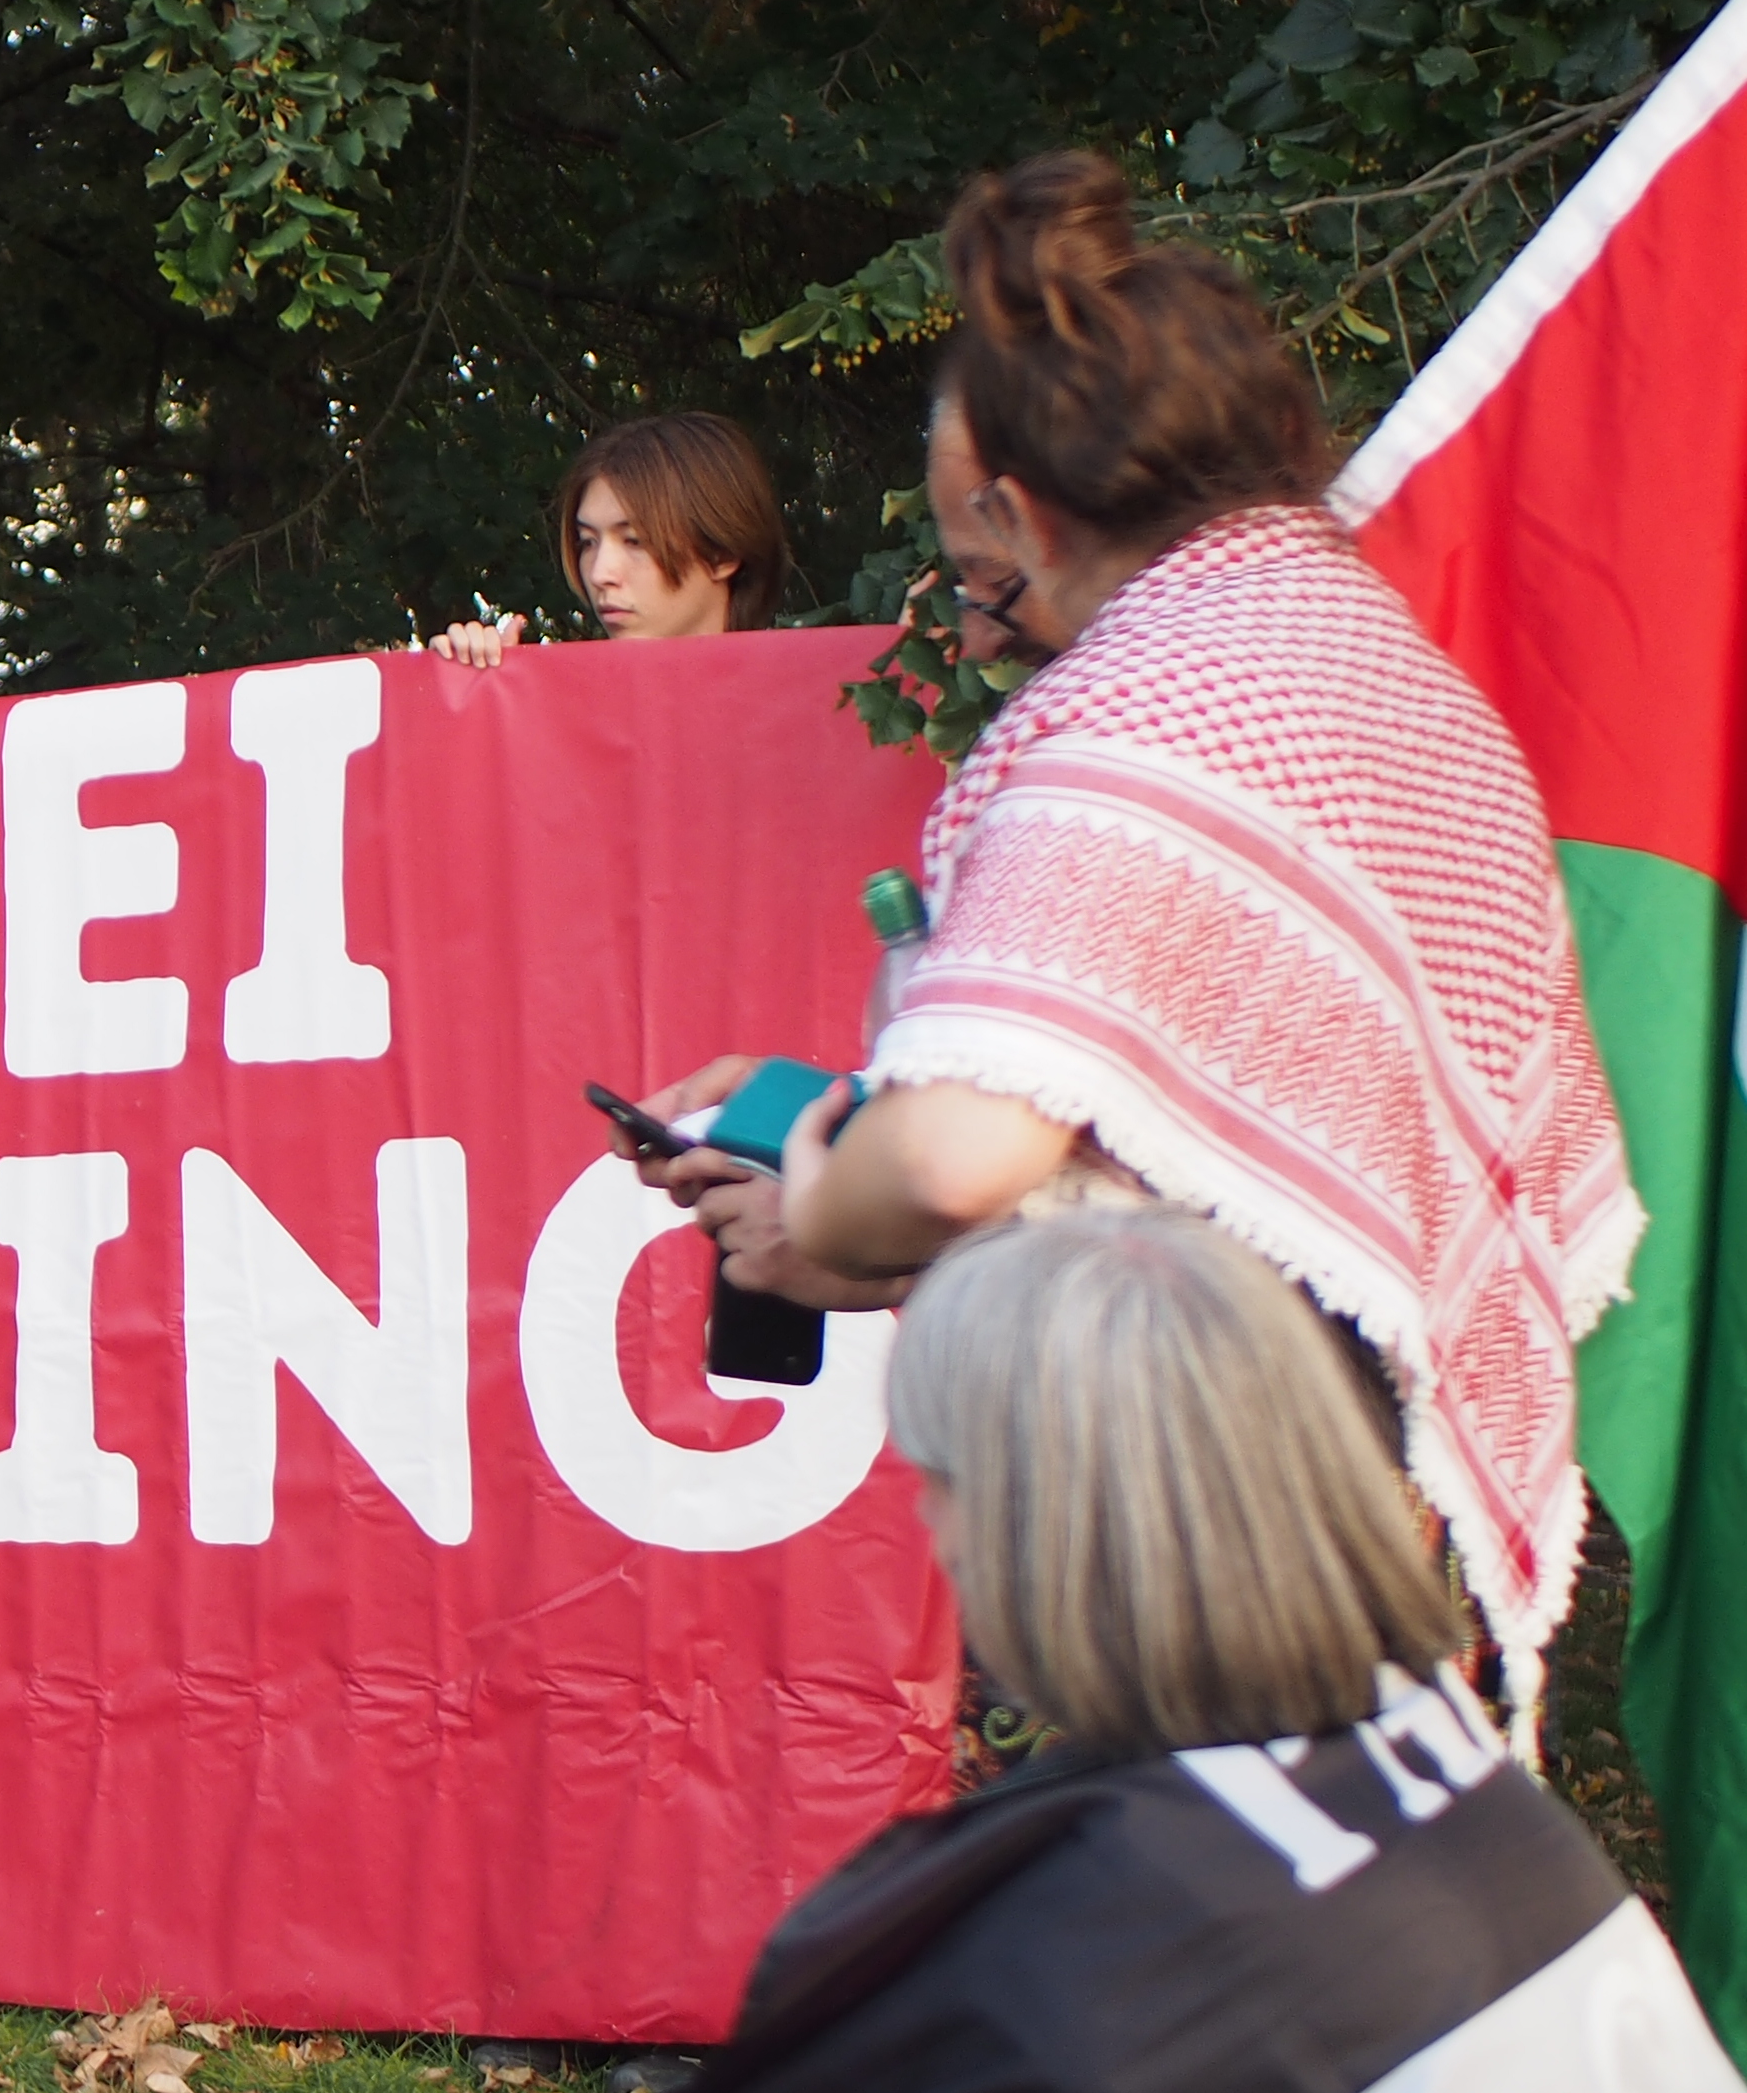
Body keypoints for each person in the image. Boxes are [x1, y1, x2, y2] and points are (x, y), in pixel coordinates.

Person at [253, 1206, 1747, 2093]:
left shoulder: (1083, 1929)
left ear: (1042, 1518)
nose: (931, 1529)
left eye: (943, 1480)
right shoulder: (1457, 1783)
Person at [638, 153, 1632, 1711]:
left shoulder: (1153, 702)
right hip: (1349, 1474)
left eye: (976, 570)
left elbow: (965, 1151)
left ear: (1024, 510)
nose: (975, 622)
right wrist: (828, 1126)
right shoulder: (1363, 656)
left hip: (1210, 1507)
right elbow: (1182, 1114)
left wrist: (832, 1220)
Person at [427, 410, 787, 666]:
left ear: (723, 553)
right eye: (587, 542)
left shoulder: (810, 704)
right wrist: (485, 695)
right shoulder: (566, 714)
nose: (600, 574)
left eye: (636, 541)